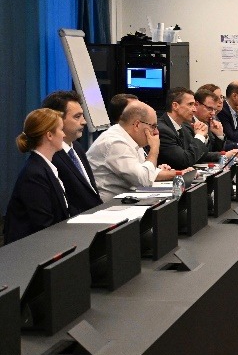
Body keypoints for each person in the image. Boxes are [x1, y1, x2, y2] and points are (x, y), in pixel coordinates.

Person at [87, 100, 178, 200]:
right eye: (153, 126)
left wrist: (179, 173)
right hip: (108, 205)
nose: (156, 132)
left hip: (126, 199)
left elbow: (144, 171)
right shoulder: (115, 142)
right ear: (137, 125)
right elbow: (144, 180)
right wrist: (154, 149)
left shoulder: (131, 138)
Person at [3, 109, 71, 244]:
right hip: (31, 249)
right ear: (49, 135)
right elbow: (44, 225)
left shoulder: (43, 167)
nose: (64, 135)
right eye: (61, 130)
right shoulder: (34, 174)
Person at [41, 90, 102, 215]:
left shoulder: (77, 148)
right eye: (77, 117)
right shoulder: (51, 156)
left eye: (82, 116)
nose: (84, 122)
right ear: (57, 120)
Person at [158, 87, 235, 169]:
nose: (194, 109)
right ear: (175, 106)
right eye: (190, 104)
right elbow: (185, 160)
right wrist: (200, 136)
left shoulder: (183, 127)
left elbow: (198, 155)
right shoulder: (162, 130)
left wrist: (221, 152)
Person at [194, 86, 230, 154]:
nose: (213, 113)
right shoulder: (186, 124)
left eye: (214, 109)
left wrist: (219, 136)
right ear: (196, 105)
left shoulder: (207, 123)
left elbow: (213, 150)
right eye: (209, 108)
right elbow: (195, 155)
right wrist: (221, 155)